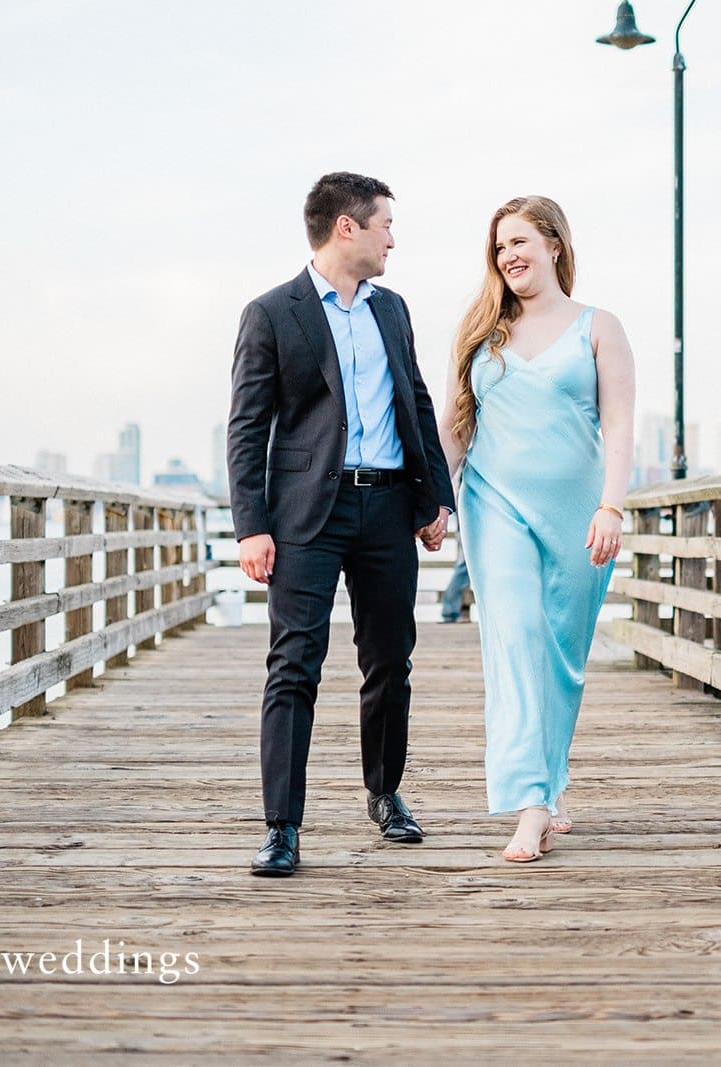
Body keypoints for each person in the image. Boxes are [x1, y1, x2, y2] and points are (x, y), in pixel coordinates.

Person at [227, 172, 455, 877]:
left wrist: (434, 499)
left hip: (388, 505)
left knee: (390, 659)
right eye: (386, 222)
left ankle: (385, 792)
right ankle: (282, 826)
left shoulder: (393, 309)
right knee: (294, 664)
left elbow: (416, 401)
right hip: (304, 516)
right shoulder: (272, 313)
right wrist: (250, 526)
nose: (394, 237)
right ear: (346, 228)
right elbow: (247, 428)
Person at [435, 196, 635, 863]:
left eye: (519, 241)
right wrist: (436, 500)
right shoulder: (483, 329)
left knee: (560, 658)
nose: (508, 256)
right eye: (499, 248)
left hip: (580, 514)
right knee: (515, 638)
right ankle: (530, 806)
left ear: (553, 243)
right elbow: (456, 423)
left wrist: (612, 506)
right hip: (493, 505)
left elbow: (621, 426)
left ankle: (548, 785)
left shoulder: (598, 326)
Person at [440, 525, 471, 622]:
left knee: (464, 567)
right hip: (469, 529)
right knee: (464, 568)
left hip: (466, 528)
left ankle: (450, 611)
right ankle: (450, 611)